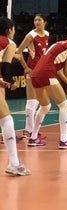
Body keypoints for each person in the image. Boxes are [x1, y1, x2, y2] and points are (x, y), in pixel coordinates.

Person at [27, 24, 67, 149]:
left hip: (36, 74)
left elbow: (60, 72)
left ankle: (33, 138)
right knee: (64, 105)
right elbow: (66, 70)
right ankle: (64, 140)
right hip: (46, 73)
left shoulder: (61, 44)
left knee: (45, 106)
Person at [0, 17, 31, 175]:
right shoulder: (9, 43)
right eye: (13, 30)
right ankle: (13, 163)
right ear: (9, 30)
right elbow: (6, 68)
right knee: (6, 119)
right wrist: (10, 82)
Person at [15, 13, 49, 140]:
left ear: (45, 22)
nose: (37, 22)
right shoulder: (31, 35)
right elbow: (18, 52)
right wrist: (26, 68)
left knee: (40, 101)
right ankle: (28, 130)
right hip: (32, 70)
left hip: (42, 71)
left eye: (39, 20)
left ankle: (31, 130)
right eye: (35, 20)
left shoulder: (47, 34)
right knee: (32, 100)